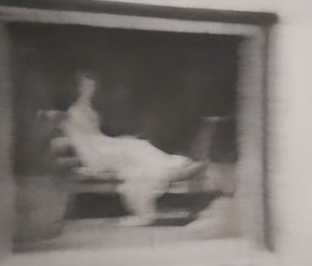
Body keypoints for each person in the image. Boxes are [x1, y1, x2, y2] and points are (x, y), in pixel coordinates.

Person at [54, 71, 205, 225]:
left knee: (138, 144)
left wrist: (117, 140)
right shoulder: (72, 111)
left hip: (101, 144)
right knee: (133, 146)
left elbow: (96, 134)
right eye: (86, 85)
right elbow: (83, 138)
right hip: (93, 152)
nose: (90, 89)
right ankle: (173, 169)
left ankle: (174, 167)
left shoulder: (87, 107)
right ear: (78, 87)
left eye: (92, 85)